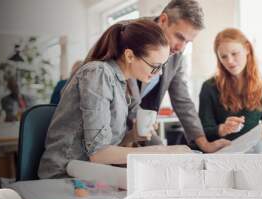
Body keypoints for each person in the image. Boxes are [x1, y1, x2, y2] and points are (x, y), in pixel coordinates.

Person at [38, 19, 191, 179]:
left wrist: (133, 136)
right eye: (155, 66)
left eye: (162, 66)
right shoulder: (98, 73)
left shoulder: (125, 83)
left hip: (91, 173)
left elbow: (105, 147)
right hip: (63, 176)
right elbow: (99, 154)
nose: (159, 73)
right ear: (130, 56)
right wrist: (163, 152)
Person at [128, 0, 230, 153]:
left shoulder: (176, 52)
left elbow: (182, 99)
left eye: (188, 42)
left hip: (138, 130)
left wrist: (205, 144)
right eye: (179, 37)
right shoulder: (128, 33)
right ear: (163, 20)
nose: (181, 48)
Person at [198, 28, 262, 145]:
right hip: (222, 155)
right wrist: (222, 129)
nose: (230, 61)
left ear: (247, 48)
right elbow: (203, 134)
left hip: (253, 156)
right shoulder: (209, 87)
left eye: (234, 53)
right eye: (223, 57)